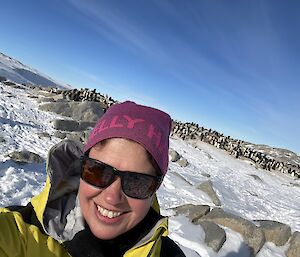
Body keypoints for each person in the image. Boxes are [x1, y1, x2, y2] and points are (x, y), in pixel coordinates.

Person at [0, 101, 186, 257]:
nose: (112, 197)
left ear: (155, 188)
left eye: (137, 182)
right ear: (80, 167)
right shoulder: (24, 231)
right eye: (97, 171)